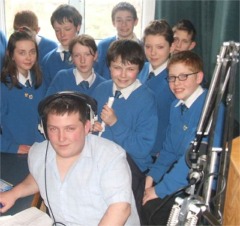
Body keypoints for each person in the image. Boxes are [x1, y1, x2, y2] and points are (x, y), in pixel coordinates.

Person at [0, 91, 140, 226]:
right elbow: (38, 175)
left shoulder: (110, 156)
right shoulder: (39, 152)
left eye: (70, 129)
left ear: (87, 127)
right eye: (54, 129)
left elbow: (120, 209)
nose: (61, 138)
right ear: (43, 128)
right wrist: (13, 193)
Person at [141, 51, 225, 225]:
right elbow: (169, 150)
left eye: (183, 76)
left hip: (204, 188)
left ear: (199, 77)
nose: (176, 83)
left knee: (151, 210)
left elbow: (192, 159)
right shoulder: (176, 106)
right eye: (172, 78)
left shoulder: (211, 108)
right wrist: (150, 179)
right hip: (182, 180)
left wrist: (159, 190)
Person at [92, 39, 158, 218]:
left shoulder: (146, 98)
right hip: (99, 165)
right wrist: (92, 128)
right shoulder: (101, 89)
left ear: (140, 69)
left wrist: (115, 123)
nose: (122, 75)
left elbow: (142, 149)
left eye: (130, 69)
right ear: (108, 67)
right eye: (117, 67)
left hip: (131, 169)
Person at [0, 26, 46, 154]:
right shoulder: (3, 87)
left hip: (41, 150)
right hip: (16, 155)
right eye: (22, 53)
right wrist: (12, 147)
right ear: (11, 55)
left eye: (32, 52)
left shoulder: (40, 81)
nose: (28, 57)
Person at [138, 19, 176, 158]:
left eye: (160, 47)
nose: (153, 53)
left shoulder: (176, 79)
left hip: (158, 153)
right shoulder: (139, 71)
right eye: (148, 46)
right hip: (135, 146)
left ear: (171, 47)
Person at [94, 1, 140, 80]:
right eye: (119, 20)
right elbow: (97, 75)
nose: (123, 24)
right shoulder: (103, 46)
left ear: (135, 21)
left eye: (128, 20)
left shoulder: (144, 48)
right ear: (113, 22)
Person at [41, 4, 82, 87]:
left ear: (78, 27)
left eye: (67, 29)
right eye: (57, 30)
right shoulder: (47, 60)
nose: (62, 34)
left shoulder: (90, 56)